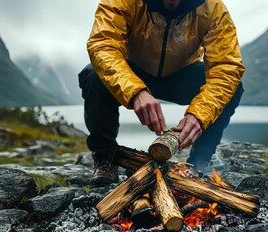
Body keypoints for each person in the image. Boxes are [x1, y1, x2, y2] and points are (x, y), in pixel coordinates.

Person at [79, 0, 245, 187]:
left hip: (182, 74)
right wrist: (135, 91)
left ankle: (197, 164)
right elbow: (103, 45)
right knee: (93, 75)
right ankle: (105, 158)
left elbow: (226, 67)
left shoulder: (212, 8)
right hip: (134, 70)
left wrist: (200, 115)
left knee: (232, 86)